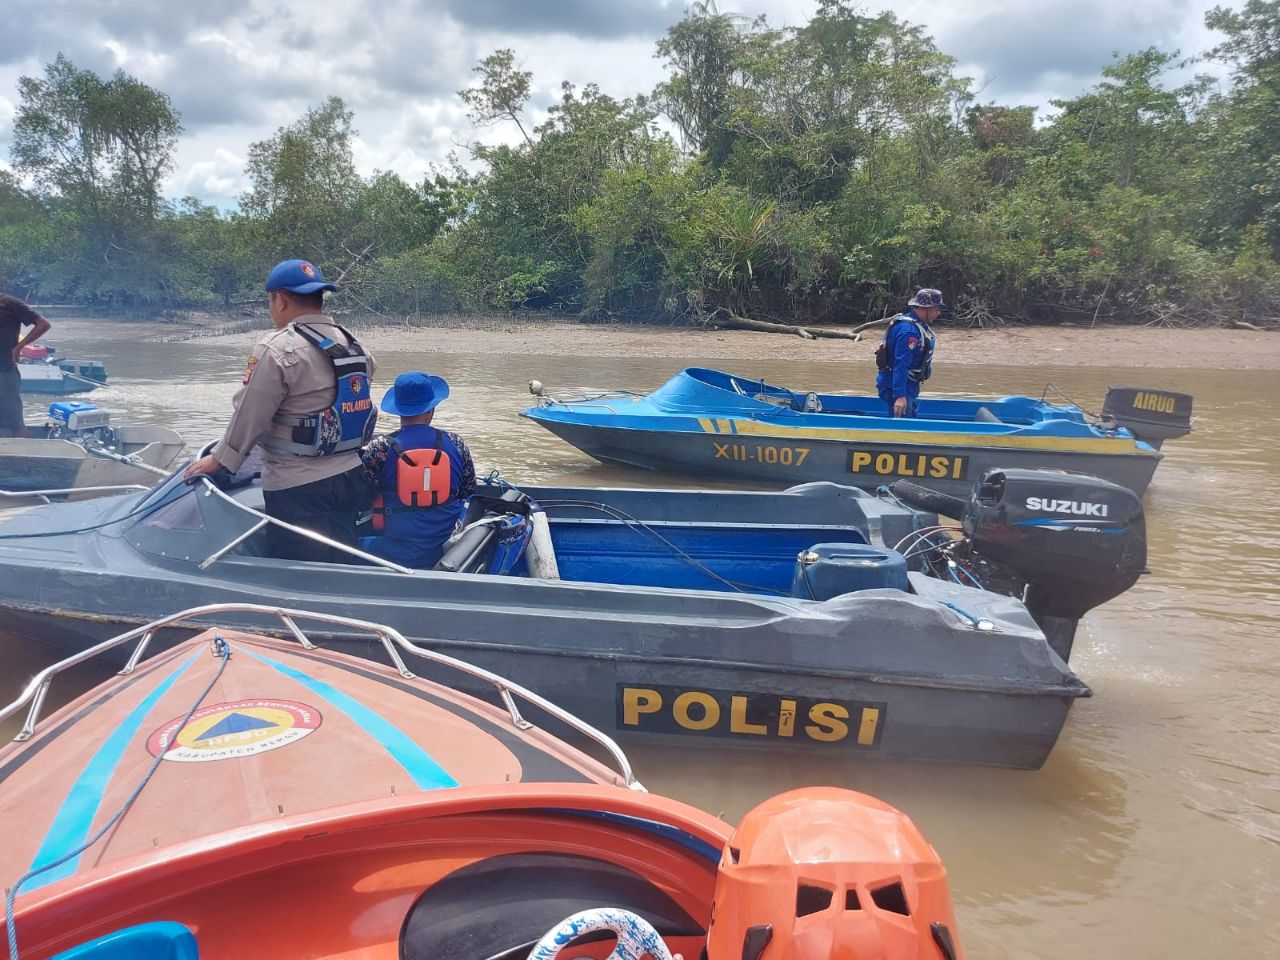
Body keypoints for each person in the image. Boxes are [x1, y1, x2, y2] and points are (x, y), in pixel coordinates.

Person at [184, 260, 376, 562]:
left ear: (281, 299)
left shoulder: (278, 348)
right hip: (349, 474)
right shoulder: (353, 344)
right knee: (341, 560)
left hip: (298, 483)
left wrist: (221, 459)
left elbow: (251, 413)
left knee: (298, 568)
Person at [358, 371, 476, 569]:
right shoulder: (456, 443)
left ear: (399, 410)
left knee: (350, 542)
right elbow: (468, 491)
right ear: (432, 409)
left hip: (393, 550)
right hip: (445, 545)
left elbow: (361, 497)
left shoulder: (380, 448)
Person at [874, 288, 944, 418]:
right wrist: (900, 397)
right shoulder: (909, 332)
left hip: (907, 384)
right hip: (895, 385)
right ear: (924, 308)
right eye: (936, 309)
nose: (938, 313)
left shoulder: (918, 325)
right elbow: (900, 365)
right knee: (902, 423)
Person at [0, 293, 52, 438]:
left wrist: (19, 347)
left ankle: (23, 458)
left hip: (4, 371)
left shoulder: (9, 303)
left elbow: (43, 324)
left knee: (15, 422)